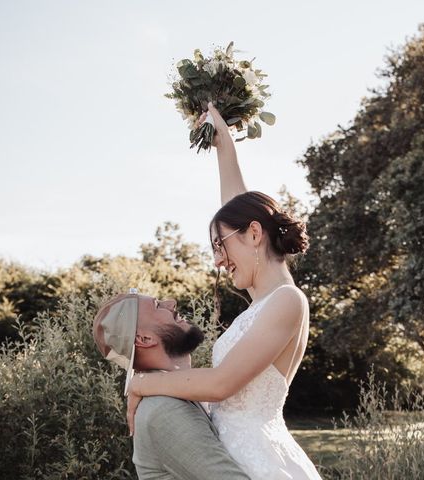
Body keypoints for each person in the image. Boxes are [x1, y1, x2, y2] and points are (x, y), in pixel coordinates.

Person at [126, 102, 322, 479]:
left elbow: (220, 384)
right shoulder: (268, 299)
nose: (218, 260)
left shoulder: (288, 301)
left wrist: (141, 383)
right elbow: (235, 208)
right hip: (234, 453)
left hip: (260, 462)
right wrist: (224, 144)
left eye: (221, 246)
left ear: (253, 234)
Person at [93, 291, 250, 480]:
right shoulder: (164, 409)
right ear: (144, 339)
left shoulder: (173, 394)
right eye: (158, 305)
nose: (171, 302)